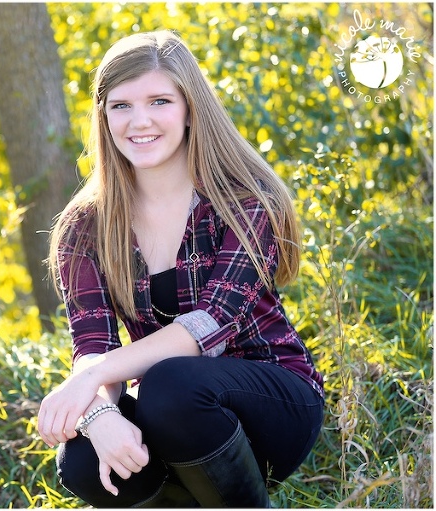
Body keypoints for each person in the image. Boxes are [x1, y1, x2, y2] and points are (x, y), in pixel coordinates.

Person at [37, 30, 325, 508]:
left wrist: (90, 381)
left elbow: (208, 326)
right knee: (82, 458)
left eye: (159, 101)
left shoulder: (245, 201)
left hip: (275, 400)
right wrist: (99, 413)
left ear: (190, 108)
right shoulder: (85, 226)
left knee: (170, 384)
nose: (139, 120)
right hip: (169, 409)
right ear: (103, 116)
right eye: (121, 105)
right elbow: (92, 347)